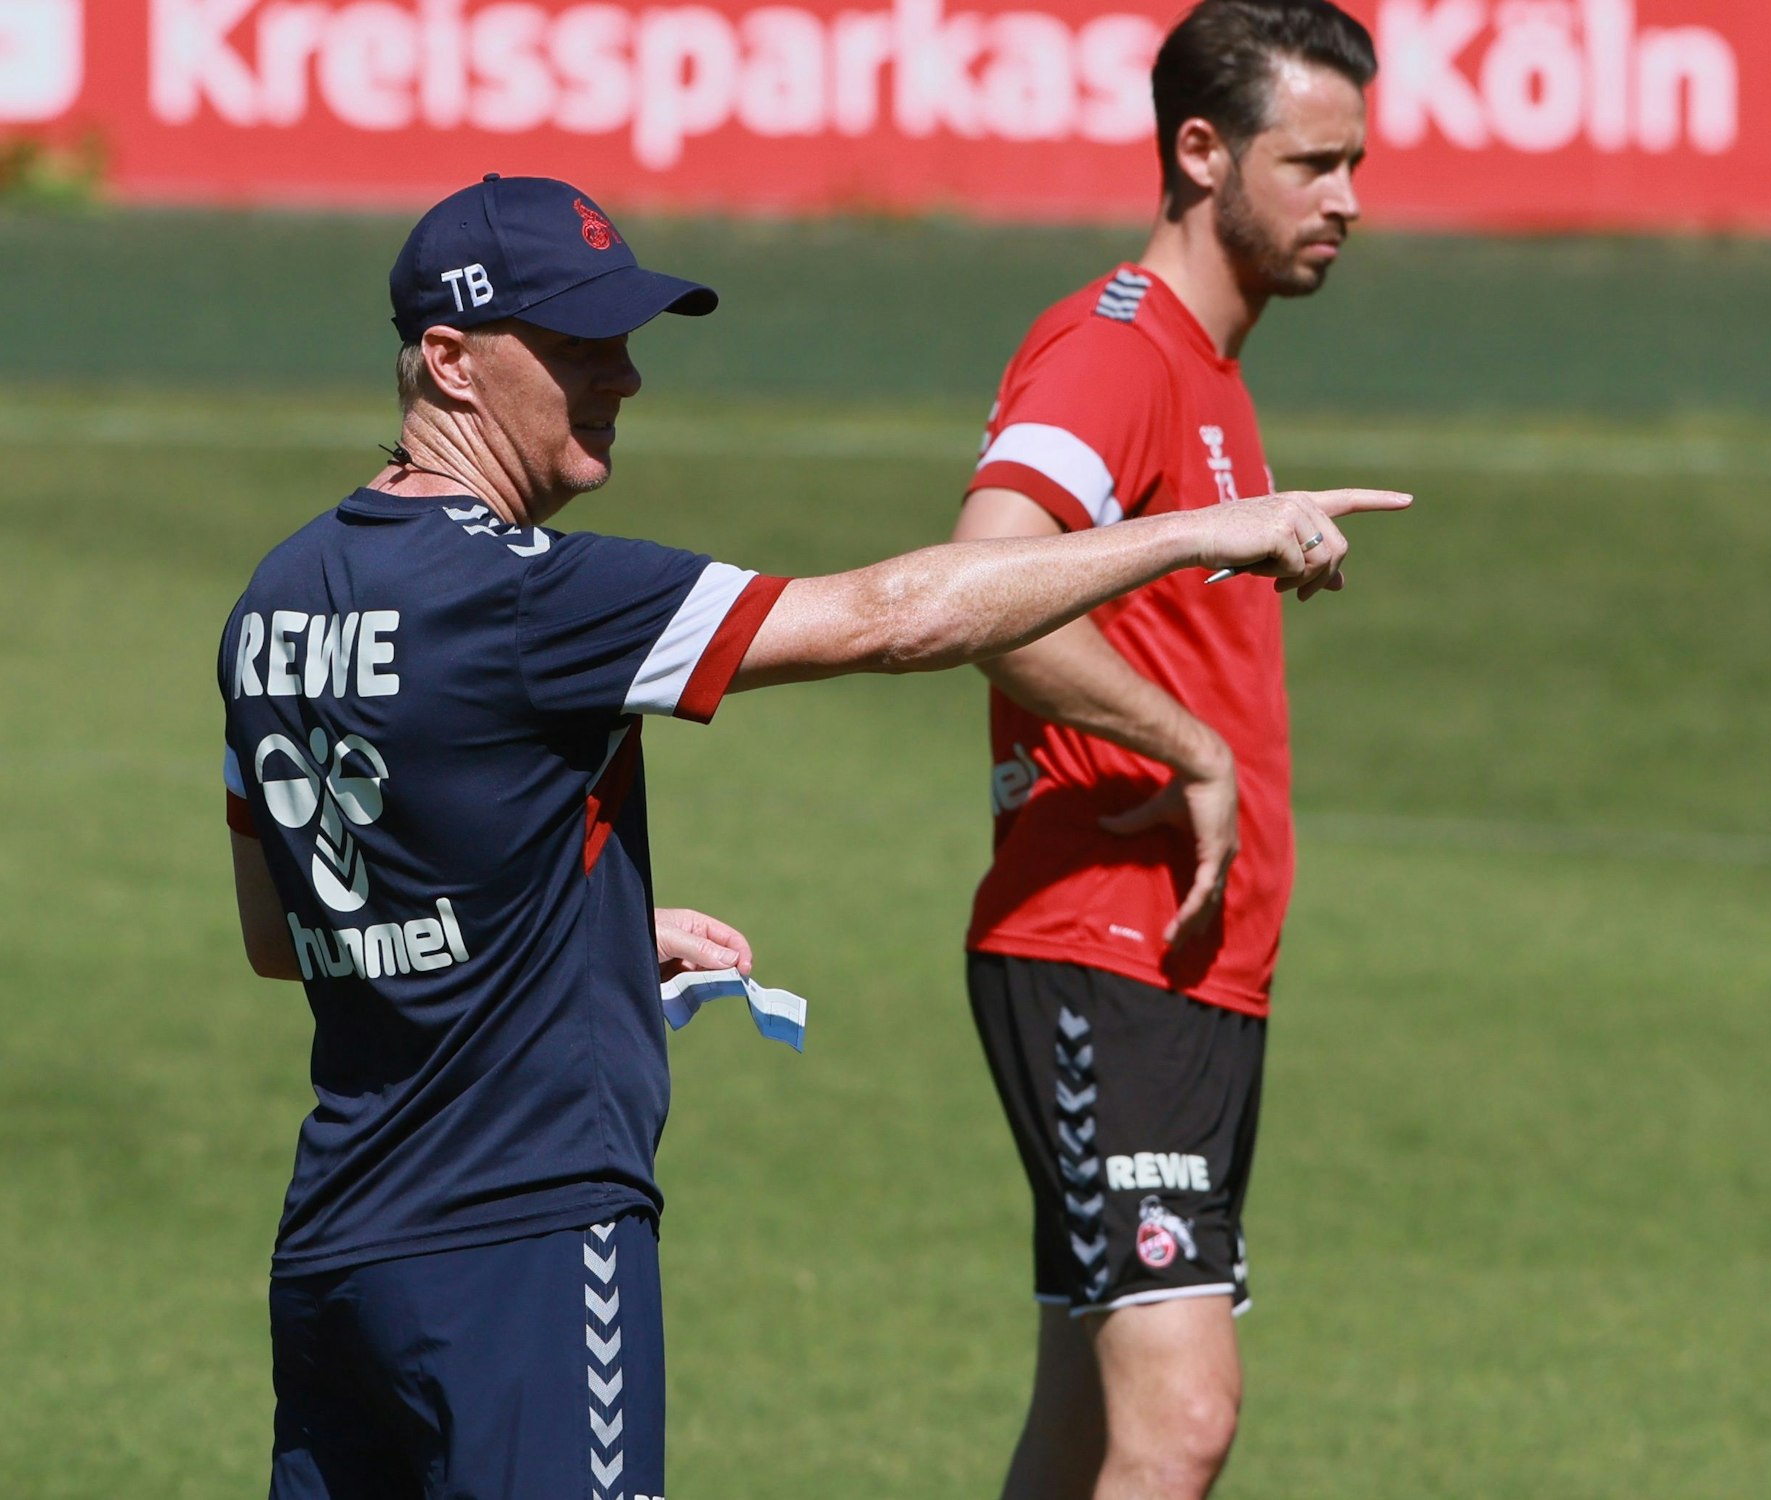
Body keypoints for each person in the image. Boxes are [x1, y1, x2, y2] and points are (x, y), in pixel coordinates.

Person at [219, 171, 1402, 1500]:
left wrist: (586, 930)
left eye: (627, 339)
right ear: (449, 358)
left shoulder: (274, 602)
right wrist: (1194, 531)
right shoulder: (537, 600)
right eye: (577, 345)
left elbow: (294, 933)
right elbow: (895, 618)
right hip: (527, 1239)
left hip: (335, 1252)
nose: (623, 377)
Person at [949, 3, 1387, 1496]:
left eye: (1356, 164)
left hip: (1186, 965)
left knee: (1089, 1423)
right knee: (1181, 1418)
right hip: (1101, 948)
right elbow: (984, 586)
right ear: (1200, 151)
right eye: (1313, 162)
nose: (1348, 201)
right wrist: (1190, 747)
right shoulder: (1118, 352)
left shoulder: (1211, 373)